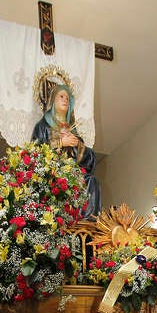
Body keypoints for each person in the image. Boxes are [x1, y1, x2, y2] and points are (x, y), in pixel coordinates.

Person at [32, 83, 101, 219]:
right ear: (52, 100)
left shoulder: (73, 130)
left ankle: (87, 222)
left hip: (73, 175)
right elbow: (35, 152)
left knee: (91, 180)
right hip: (52, 175)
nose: (65, 100)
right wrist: (59, 143)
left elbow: (90, 162)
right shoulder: (43, 126)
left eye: (68, 98)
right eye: (61, 96)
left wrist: (77, 146)